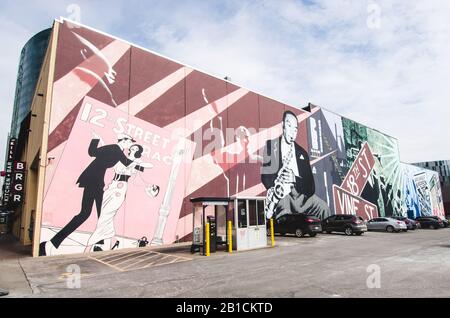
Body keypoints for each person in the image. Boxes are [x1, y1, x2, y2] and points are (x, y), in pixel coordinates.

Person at [40, 133, 148, 256]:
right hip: (94, 181)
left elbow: (95, 153)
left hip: (95, 181)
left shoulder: (116, 150)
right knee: (92, 213)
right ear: (123, 140)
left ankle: (98, 244)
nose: (130, 144)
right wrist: (96, 139)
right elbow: (123, 161)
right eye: (130, 142)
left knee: (96, 213)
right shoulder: (115, 149)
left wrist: (97, 139)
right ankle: (52, 244)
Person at [85, 144, 158, 252]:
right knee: (103, 214)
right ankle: (109, 242)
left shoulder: (137, 161)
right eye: (132, 147)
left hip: (121, 188)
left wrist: (136, 163)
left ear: (139, 151)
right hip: (112, 186)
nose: (133, 148)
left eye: (136, 148)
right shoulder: (121, 157)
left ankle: (90, 245)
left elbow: (150, 165)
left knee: (106, 215)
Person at [261, 110, 330, 220]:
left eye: (295, 129)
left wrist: (294, 179)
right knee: (284, 212)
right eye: (289, 126)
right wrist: (277, 185)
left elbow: (311, 186)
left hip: (301, 196)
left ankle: (326, 229)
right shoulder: (271, 145)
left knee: (324, 207)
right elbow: (265, 177)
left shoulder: (302, 153)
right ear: (283, 125)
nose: (292, 132)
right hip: (283, 194)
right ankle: (285, 234)